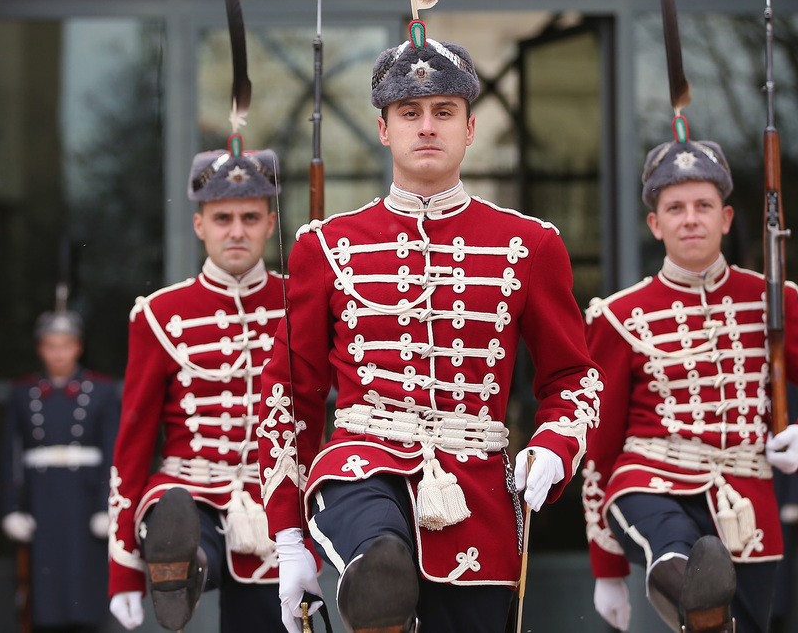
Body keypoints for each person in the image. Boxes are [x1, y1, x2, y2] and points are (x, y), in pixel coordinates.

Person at [257, 33, 604, 633]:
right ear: (383, 128)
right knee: (382, 568)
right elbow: (290, 391)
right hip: (362, 467)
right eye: (409, 113)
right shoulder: (325, 245)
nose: (426, 127)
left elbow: (573, 376)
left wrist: (556, 444)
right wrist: (288, 536)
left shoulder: (531, 244)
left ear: (470, 129)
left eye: (444, 112)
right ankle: (377, 576)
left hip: (479, 494)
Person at [581, 138, 798, 633]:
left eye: (703, 206)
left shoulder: (769, 300)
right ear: (655, 223)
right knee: (677, 554)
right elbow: (599, 449)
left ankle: (700, 604)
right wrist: (608, 570)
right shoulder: (619, 316)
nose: (690, 219)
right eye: (675, 208)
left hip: (747, 503)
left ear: (726, 218)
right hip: (651, 481)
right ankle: (683, 578)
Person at [107, 147, 292, 632]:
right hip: (187, 490)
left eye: (250, 217)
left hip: (272, 499)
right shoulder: (159, 314)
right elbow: (133, 445)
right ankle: (182, 568)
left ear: (270, 225)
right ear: (199, 225)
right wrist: (122, 568)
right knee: (181, 528)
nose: (236, 231)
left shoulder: (300, 302)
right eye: (222, 217)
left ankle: (191, 568)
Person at [0, 309, 120, 633]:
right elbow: (11, 454)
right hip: (43, 500)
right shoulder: (22, 393)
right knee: (43, 596)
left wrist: (105, 506)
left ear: (77, 347)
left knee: (84, 591)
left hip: (83, 501)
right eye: (51, 345)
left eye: (65, 345)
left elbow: (113, 451)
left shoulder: (102, 391)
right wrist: (12, 509)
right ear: (41, 349)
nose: (58, 353)